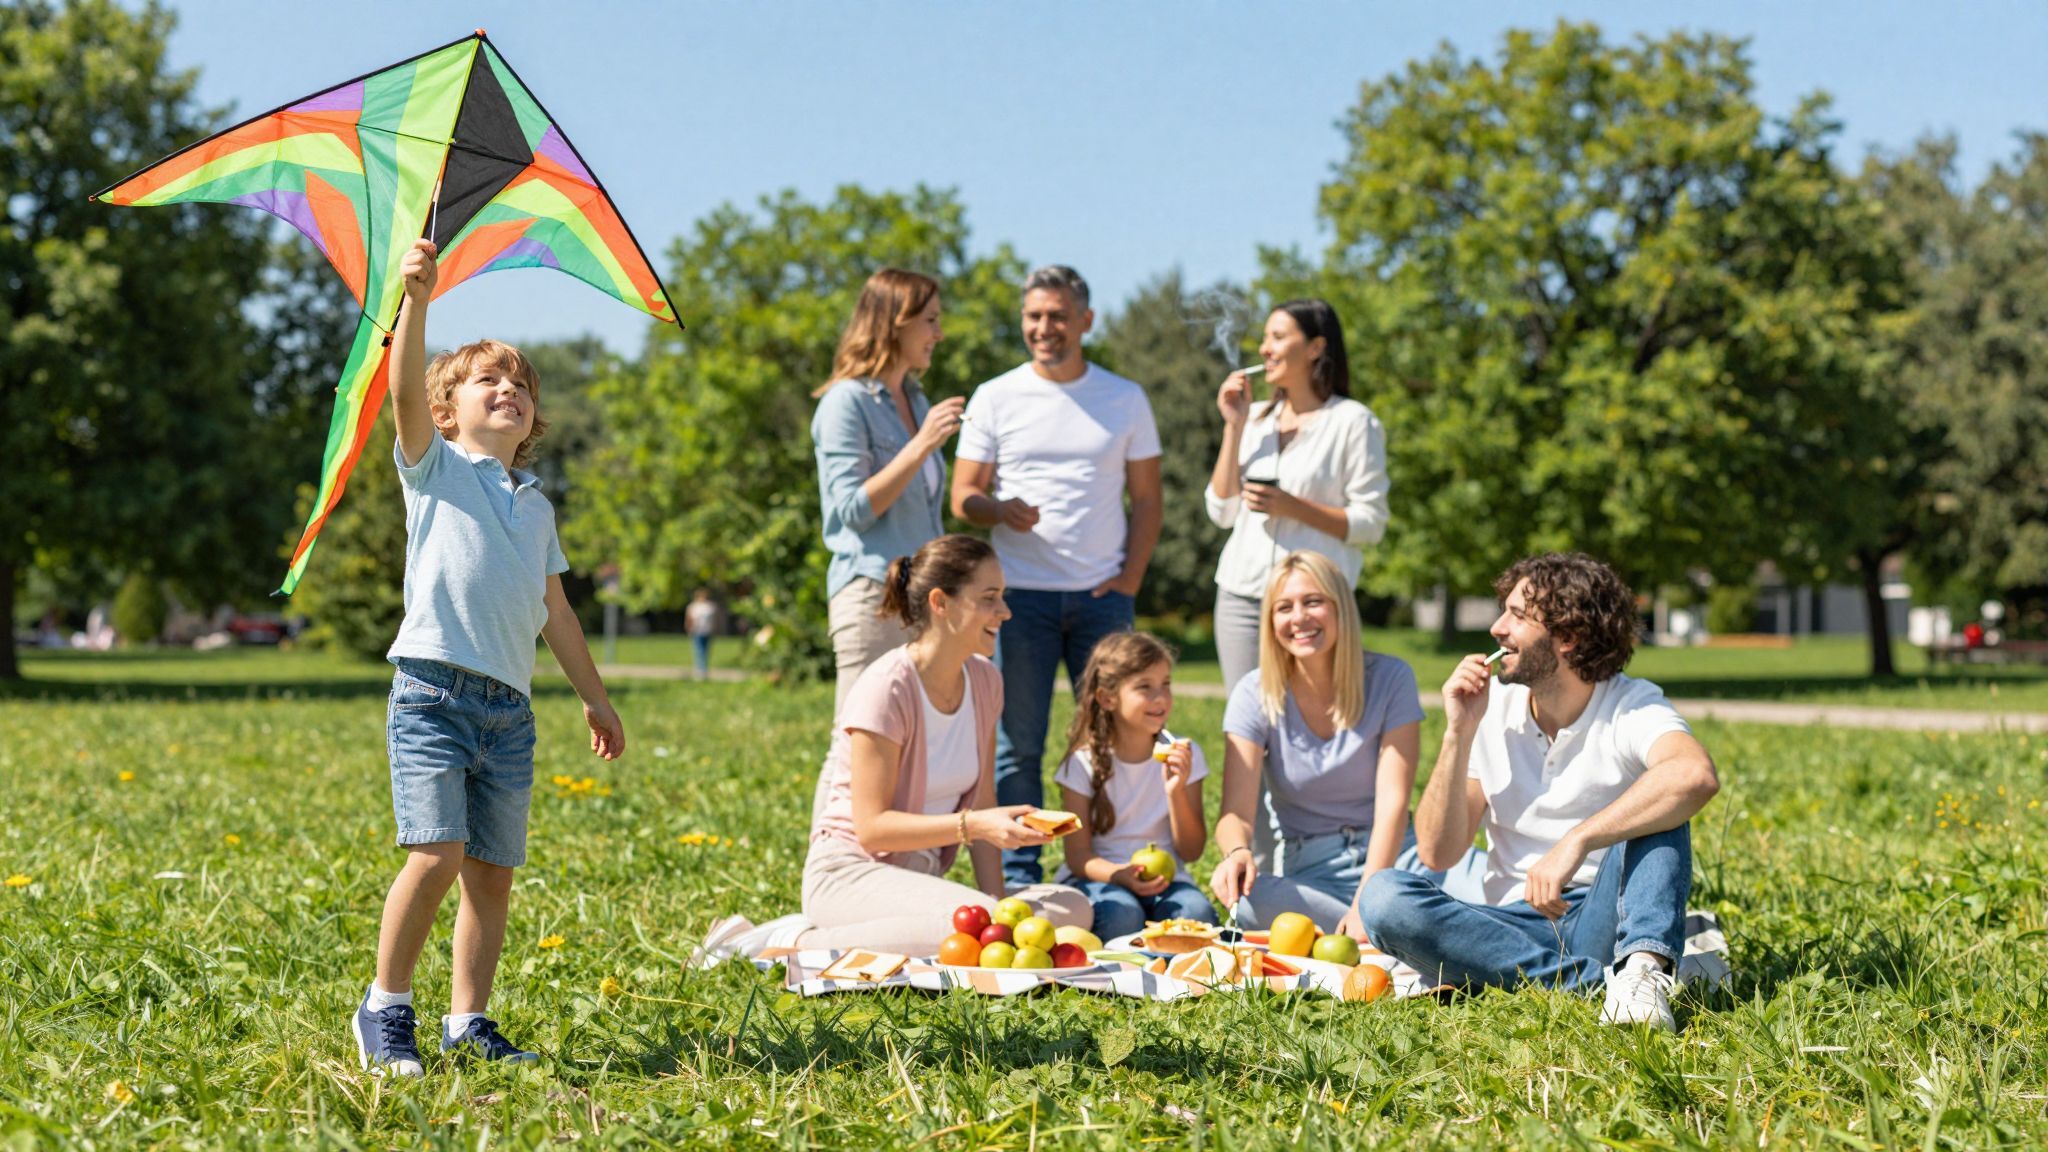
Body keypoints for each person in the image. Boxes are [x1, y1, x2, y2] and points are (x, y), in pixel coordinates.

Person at [353, 239, 626, 1077]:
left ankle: (467, 1021)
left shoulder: (533, 506)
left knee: (492, 877)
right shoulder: (433, 469)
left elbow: (558, 614)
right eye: (487, 381)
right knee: (434, 855)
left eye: (521, 386)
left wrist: (595, 696)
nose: (507, 390)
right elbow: (401, 389)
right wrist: (416, 300)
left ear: (533, 418)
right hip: (433, 693)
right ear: (446, 410)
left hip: (509, 712)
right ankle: (384, 1009)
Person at [1357, 553, 1721, 1031]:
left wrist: (1577, 841)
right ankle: (1594, 986)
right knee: (1383, 897)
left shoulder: (1630, 705)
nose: (1496, 627)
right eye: (1503, 610)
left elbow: (1695, 775)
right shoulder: (1493, 711)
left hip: (1605, 917)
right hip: (1506, 927)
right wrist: (1458, 733)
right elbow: (1437, 851)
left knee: (1666, 803)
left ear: (1568, 638)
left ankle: (1641, 969)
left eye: (1518, 617)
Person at [702, 535, 1092, 961]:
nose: (1005, 611)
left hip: (915, 875)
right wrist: (975, 828)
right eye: (990, 598)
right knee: (965, 925)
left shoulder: (984, 681)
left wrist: (1002, 916)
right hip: (849, 871)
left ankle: (935, 928)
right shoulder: (887, 687)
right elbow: (872, 827)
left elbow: (982, 801)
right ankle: (772, 945)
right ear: (941, 602)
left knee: (1074, 907)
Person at [952, 265, 1163, 886]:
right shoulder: (996, 395)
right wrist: (998, 510)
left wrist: (1128, 582)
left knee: (1110, 736)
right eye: (1034, 316)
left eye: (1058, 316)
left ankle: (1105, 860)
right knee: (1020, 740)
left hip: (1102, 599)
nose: (1044, 327)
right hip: (1016, 599)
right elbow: (965, 495)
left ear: (1086, 321)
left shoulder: (1125, 398)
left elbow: (1148, 500)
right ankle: (1020, 869)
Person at [1207, 550, 1437, 937]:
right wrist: (1237, 851)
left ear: (1340, 608)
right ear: (1270, 621)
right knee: (1249, 903)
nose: (1299, 617)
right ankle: (1408, 930)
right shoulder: (1254, 693)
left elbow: (1393, 802)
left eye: (1313, 601)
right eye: (1284, 607)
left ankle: (1393, 922)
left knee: (1492, 888)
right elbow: (1235, 813)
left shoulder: (1391, 678)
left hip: (1399, 859)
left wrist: (1370, 897)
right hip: (1315, 872)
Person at [1205, 299, 1388, 691]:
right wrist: (1233, 427)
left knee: (1310, 723)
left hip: (1314, 605)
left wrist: (1295, 508)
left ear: (1315, 347)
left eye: (1277, 337)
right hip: (1243, 598)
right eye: (1264, 338)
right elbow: (1221, 511)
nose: (1264, 349)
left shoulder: (1353, 422)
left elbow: (1370, 524)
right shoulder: (1253, 419)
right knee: (1248, 724)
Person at [813, 269, 962, 711]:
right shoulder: (846, 402)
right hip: (872, 597)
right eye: (930, 320)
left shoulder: (916, 402)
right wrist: (921, 445)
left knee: (913, 746)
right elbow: (853, 511)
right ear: (897, 322)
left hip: (920, 601)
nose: (940, 332)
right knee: (856, 749)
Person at [1052, 632, 1216, 941]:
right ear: (1107, 698)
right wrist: (1119, 875)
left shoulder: (1184, 755)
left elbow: (1192, 851)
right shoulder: (1082, 763)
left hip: (1169, 880)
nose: (1161, 697)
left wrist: (1175, 791)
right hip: (1103, 878)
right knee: (1122, 916)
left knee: (1196, 914)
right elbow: (1077, 856)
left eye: (1166, 684)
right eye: (1145, 687)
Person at [686, 588, 719, 681]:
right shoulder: (693, 606)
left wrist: (715, 629)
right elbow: (689, 619)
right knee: (699, 650)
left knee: (706, 651)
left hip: (707, 631)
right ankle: (699, 670)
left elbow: (714, 619)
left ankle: (704, 669)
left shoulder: (710, 606)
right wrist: (689, 629)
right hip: (697, 631)